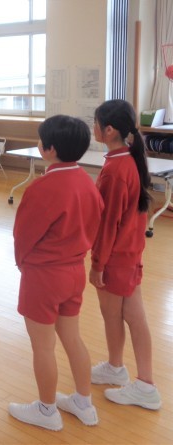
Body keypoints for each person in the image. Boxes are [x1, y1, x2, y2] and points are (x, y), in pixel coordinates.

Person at [8, 115, 105, 431]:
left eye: (40, 140)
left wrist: (22, 263)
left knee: (43, 347)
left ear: (49, 149)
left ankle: (47, 410)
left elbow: (23, 234)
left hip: (44, 276)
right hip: (74, 271)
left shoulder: (43, 187)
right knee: (73, 338)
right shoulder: (88, 182)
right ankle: (84, 403)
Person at [89, 99, 162, 410]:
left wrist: (97, 264)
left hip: (116, 257)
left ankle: (142, 383)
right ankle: (118, 368)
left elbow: (108, 224)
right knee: (132, 316)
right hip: (129, 252)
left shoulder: (117, 169)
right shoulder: (127, 160)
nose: (92, 128)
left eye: (95, 123)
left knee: (117, 316)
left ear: (108, 130)